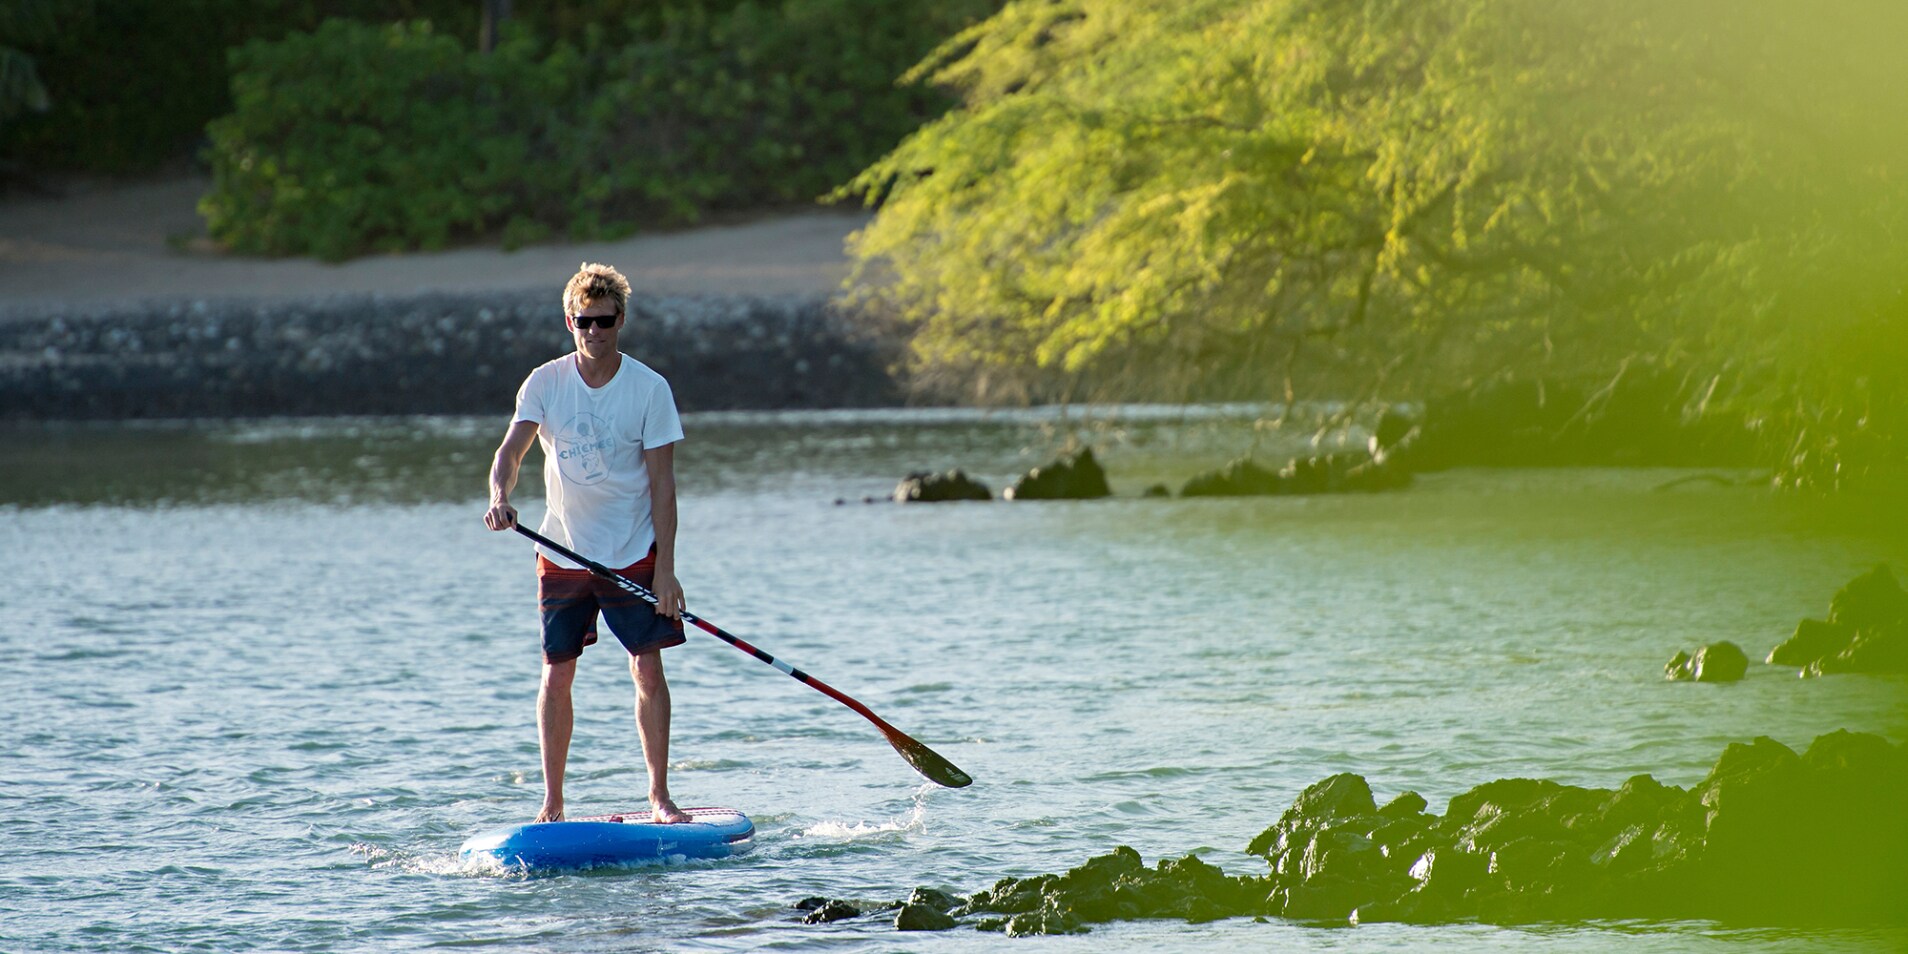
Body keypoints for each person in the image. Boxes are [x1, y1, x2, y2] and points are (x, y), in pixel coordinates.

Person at [483, 262, 691, 825]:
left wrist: (666, 572)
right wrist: (500, 494)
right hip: (563, 551)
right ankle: (552, 803)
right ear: (569, 320)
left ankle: (659, 797)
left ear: (620, 319)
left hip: (633, 549)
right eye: (582, 321)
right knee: (556, 672)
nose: (593, 332)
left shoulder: (650, 389)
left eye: (603, 321)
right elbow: (510, 452)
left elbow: (663, 486)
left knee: (647, 669)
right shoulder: (545, 382)